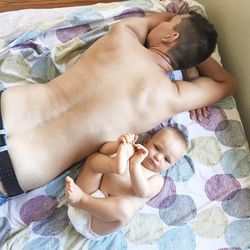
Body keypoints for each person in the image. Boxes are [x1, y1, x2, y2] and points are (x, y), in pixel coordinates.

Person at [0, 10, 237, 198]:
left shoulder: (123, 35)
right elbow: (226, 83)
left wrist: (173, 19)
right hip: (20, 167)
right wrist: (193, 56)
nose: (164, 22)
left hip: (9, 110)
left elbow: (156, 19)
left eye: (170, 22)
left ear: (170, 35)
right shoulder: (170, 97)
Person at [65, 127, 188, 239]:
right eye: (157, 148)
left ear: (170, 166)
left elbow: (142, 191)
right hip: (86, 192)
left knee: (125, 209)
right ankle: (114, 166)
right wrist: (118, 145)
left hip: (97, 221)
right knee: (94, 159)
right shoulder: (130, 151)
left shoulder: (157, 179)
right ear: (147, 141)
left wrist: (134, 165)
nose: (158, 157)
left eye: (166, 159)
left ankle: (82, 200)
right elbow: (103, 150)